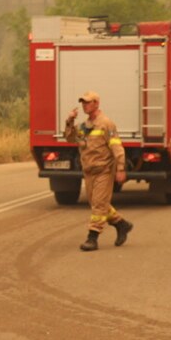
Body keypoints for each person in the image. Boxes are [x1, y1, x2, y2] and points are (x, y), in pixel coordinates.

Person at [64, 91, 133, 251]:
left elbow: (116, 146)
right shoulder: (84, 126)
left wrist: (121, 168)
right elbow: (71, 139)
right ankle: (121, 224)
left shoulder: (106, 124)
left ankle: (92, 238)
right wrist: (69, 121)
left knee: (98, 206)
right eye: (83, 102)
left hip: (104, 170)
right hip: (89, 171)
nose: (84, 105)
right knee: (98, 204)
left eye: (87, 102)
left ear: (96, 103)